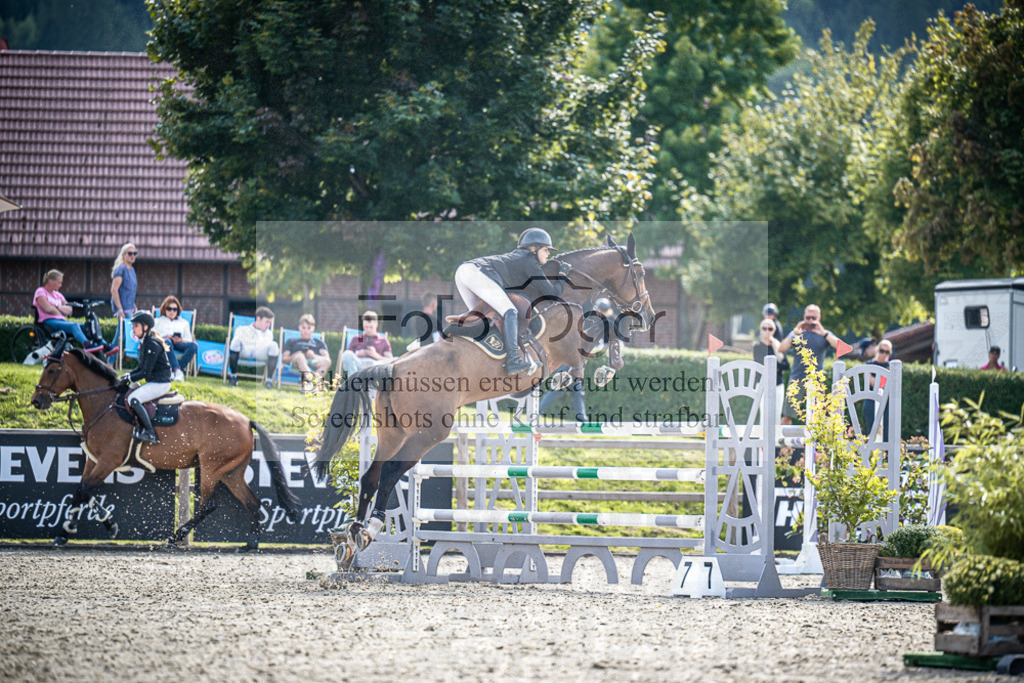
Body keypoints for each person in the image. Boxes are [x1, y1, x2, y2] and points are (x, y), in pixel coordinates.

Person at [454, 227, 569, 374]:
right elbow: (553, 293)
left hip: (464, 271)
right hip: (475, 273)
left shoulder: (520, 260)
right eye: (546, 250)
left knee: (481, 316)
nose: (548, 254)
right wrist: (563, 274)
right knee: (510, 311)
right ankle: (513, 360)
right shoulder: (529, 261)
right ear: (534, 249)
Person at [777, 304, 841, 425]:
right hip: (797, 379)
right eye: (808, 317)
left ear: (819, 318)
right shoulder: (797, 333)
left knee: (818, 416)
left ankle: (814, 444)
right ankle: (782, 444)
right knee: (787, 415)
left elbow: (840, 347)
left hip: (816, 380)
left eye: (814, 318)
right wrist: (795, 332)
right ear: (804, 317)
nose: (811, 320)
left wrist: (823, 333)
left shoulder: (825, 334)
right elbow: (781, 348)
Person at [33, 269, 117, 357]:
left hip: (61, 321)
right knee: (74, 325)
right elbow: (47, 309)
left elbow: (69, 310)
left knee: (85, 326)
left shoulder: (58, 294)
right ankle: (86, 345)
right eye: (59, 282)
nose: (60, 285)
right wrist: (60, 309)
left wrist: (56, 308)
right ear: (50, 281)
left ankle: (105, 345)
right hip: (47, 321)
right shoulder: (40, 291)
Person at [119, 311, 171, 444]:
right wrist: (128, 375)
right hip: (155, 381)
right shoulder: (145, 343)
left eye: (136, 325)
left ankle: (150, 433)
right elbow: (140, 367)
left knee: (133, 399)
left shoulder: (151, 344)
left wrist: (130, 378)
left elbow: (145, 373)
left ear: (145, 327)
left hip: (161, 383)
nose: (133, 329)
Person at [227, 306, 279, 389]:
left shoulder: (268, 334)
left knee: (274, 345)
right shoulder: (242, 329)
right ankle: (233, 376)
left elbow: (265, 348)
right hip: (244, 351)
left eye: (270, 323)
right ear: (258, 319)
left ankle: (268, 380)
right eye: (267, 322)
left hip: (259, 353)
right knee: (236, 341)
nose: (268, 325)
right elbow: (238, 344)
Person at [153, 296, 197, 382]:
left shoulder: (183, 322)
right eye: (169, 309)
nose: (172, 312)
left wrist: (180, 340)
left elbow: (188, 340)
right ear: (164, 309)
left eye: (174, 309)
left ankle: (176, 370)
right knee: (167, 341)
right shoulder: (157, 321)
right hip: (164, 344)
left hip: (179, 344)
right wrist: (164, 336)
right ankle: (177, 372)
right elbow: (152, 337)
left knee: (194, 345)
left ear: (178, 310)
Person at [282, 314, 332, 385]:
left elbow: (327, 358)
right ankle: (311, 381)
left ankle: (308, 381)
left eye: (309, 328)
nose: (306, 331)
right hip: (296, 362)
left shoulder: (318, 343)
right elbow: (284, 360)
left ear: (313, 328)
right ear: (299, 327)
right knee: (300, 357)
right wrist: (295, 355)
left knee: (327, 361)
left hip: (313, 361)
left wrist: (314, 355)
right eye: (303, 328)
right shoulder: (291, 341)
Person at [753, 318, 785, 425]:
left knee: (776, 416)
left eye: (770, 329)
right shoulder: (757, 346)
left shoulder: (778, 345)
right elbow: (759, 364)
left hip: (778, 384)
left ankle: (775, 441)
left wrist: (775, 366)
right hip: (763, 384)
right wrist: (776, 366)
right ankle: (763, 440)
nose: (767, 331)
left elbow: (786, 365)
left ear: (773, 330)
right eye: (764, 328)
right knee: (764, 415)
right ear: (761, 330)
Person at [341, 310, 393, 376]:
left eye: (371, 327)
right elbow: (346, 359)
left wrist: (375, 355)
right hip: (358, 365)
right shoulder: (357, 338)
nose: (368, 330)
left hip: (375, 366)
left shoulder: (383, 340)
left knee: (395, 360)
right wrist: (358, 354)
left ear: (376, 324)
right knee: (346, 354)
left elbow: (390, 360)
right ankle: (354, 382)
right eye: (366, 327)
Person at [863, 339, 893, 440]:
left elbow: (892, 384)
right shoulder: (869, 364)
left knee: (887, 434)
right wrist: (885, 382)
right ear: (877, 350)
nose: (884, 354)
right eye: (882, 351)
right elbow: (872, 382)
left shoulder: (891, 366)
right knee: (871, 433)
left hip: (887, 404)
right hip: (870, 403)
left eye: (887, 352)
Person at [110, 243, 138, 349]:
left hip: (130, 308)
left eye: (134, 253)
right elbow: (114, 290)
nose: (132, 256)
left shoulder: (132, 270)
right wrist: (120, 309)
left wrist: (134, 305)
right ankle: (110, 360)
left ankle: (110, 360)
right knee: (128, 335)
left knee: (120, 337)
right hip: (123, 309)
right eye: (130, 253)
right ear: (123, 255)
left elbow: (129, 291)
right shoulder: (121, 269)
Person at [761, 303, 789, 376]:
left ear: (774, 315)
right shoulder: (765, 324)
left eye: (770, 315)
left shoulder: (775, 325)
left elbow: (778, 342)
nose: (768, 316)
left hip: (775, 347)